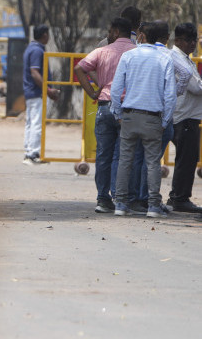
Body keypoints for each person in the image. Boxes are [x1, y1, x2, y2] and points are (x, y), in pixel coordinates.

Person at [109, 21, 176, 217]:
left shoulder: (129, 56)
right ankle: (153, 206)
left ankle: (120, 204)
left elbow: (115, 90)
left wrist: (118, 114)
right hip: (153, 118)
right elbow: (170, 96)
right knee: (153, 162)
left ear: (142, 36)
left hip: (129, 115)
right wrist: (165, 121)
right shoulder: (165, 59)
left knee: (125, 160)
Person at [75, 17, 136, 213]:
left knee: (103, 154)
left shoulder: (102, 51)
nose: (108, 35)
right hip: (127, 108)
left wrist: (93, 92)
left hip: (103, 106)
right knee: (121, 155)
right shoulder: (136, 52)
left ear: (116, 31)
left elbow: (79, 68)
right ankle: (118, 197)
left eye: (110, 31)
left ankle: (102, 199)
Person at [167, 22, 202, 213]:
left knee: (188, 157)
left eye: (194, 40)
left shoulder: (185, 59)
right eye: (188, 40)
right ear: (178, 40)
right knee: (187, 157)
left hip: (188, 115)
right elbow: (196, 87)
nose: (192, 44)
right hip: (184, 117)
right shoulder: (177, 59)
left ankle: (179, 197)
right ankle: (180, 198)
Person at [21, 25, 61, 164]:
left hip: (31, 91)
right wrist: (48, 90)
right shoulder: (37, 51)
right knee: (37, 123)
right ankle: (33, 153)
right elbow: (35, 72)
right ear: (44, 35)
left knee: (31, 123)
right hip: (37, 92)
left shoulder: (31, 48)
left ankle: (28, 151)